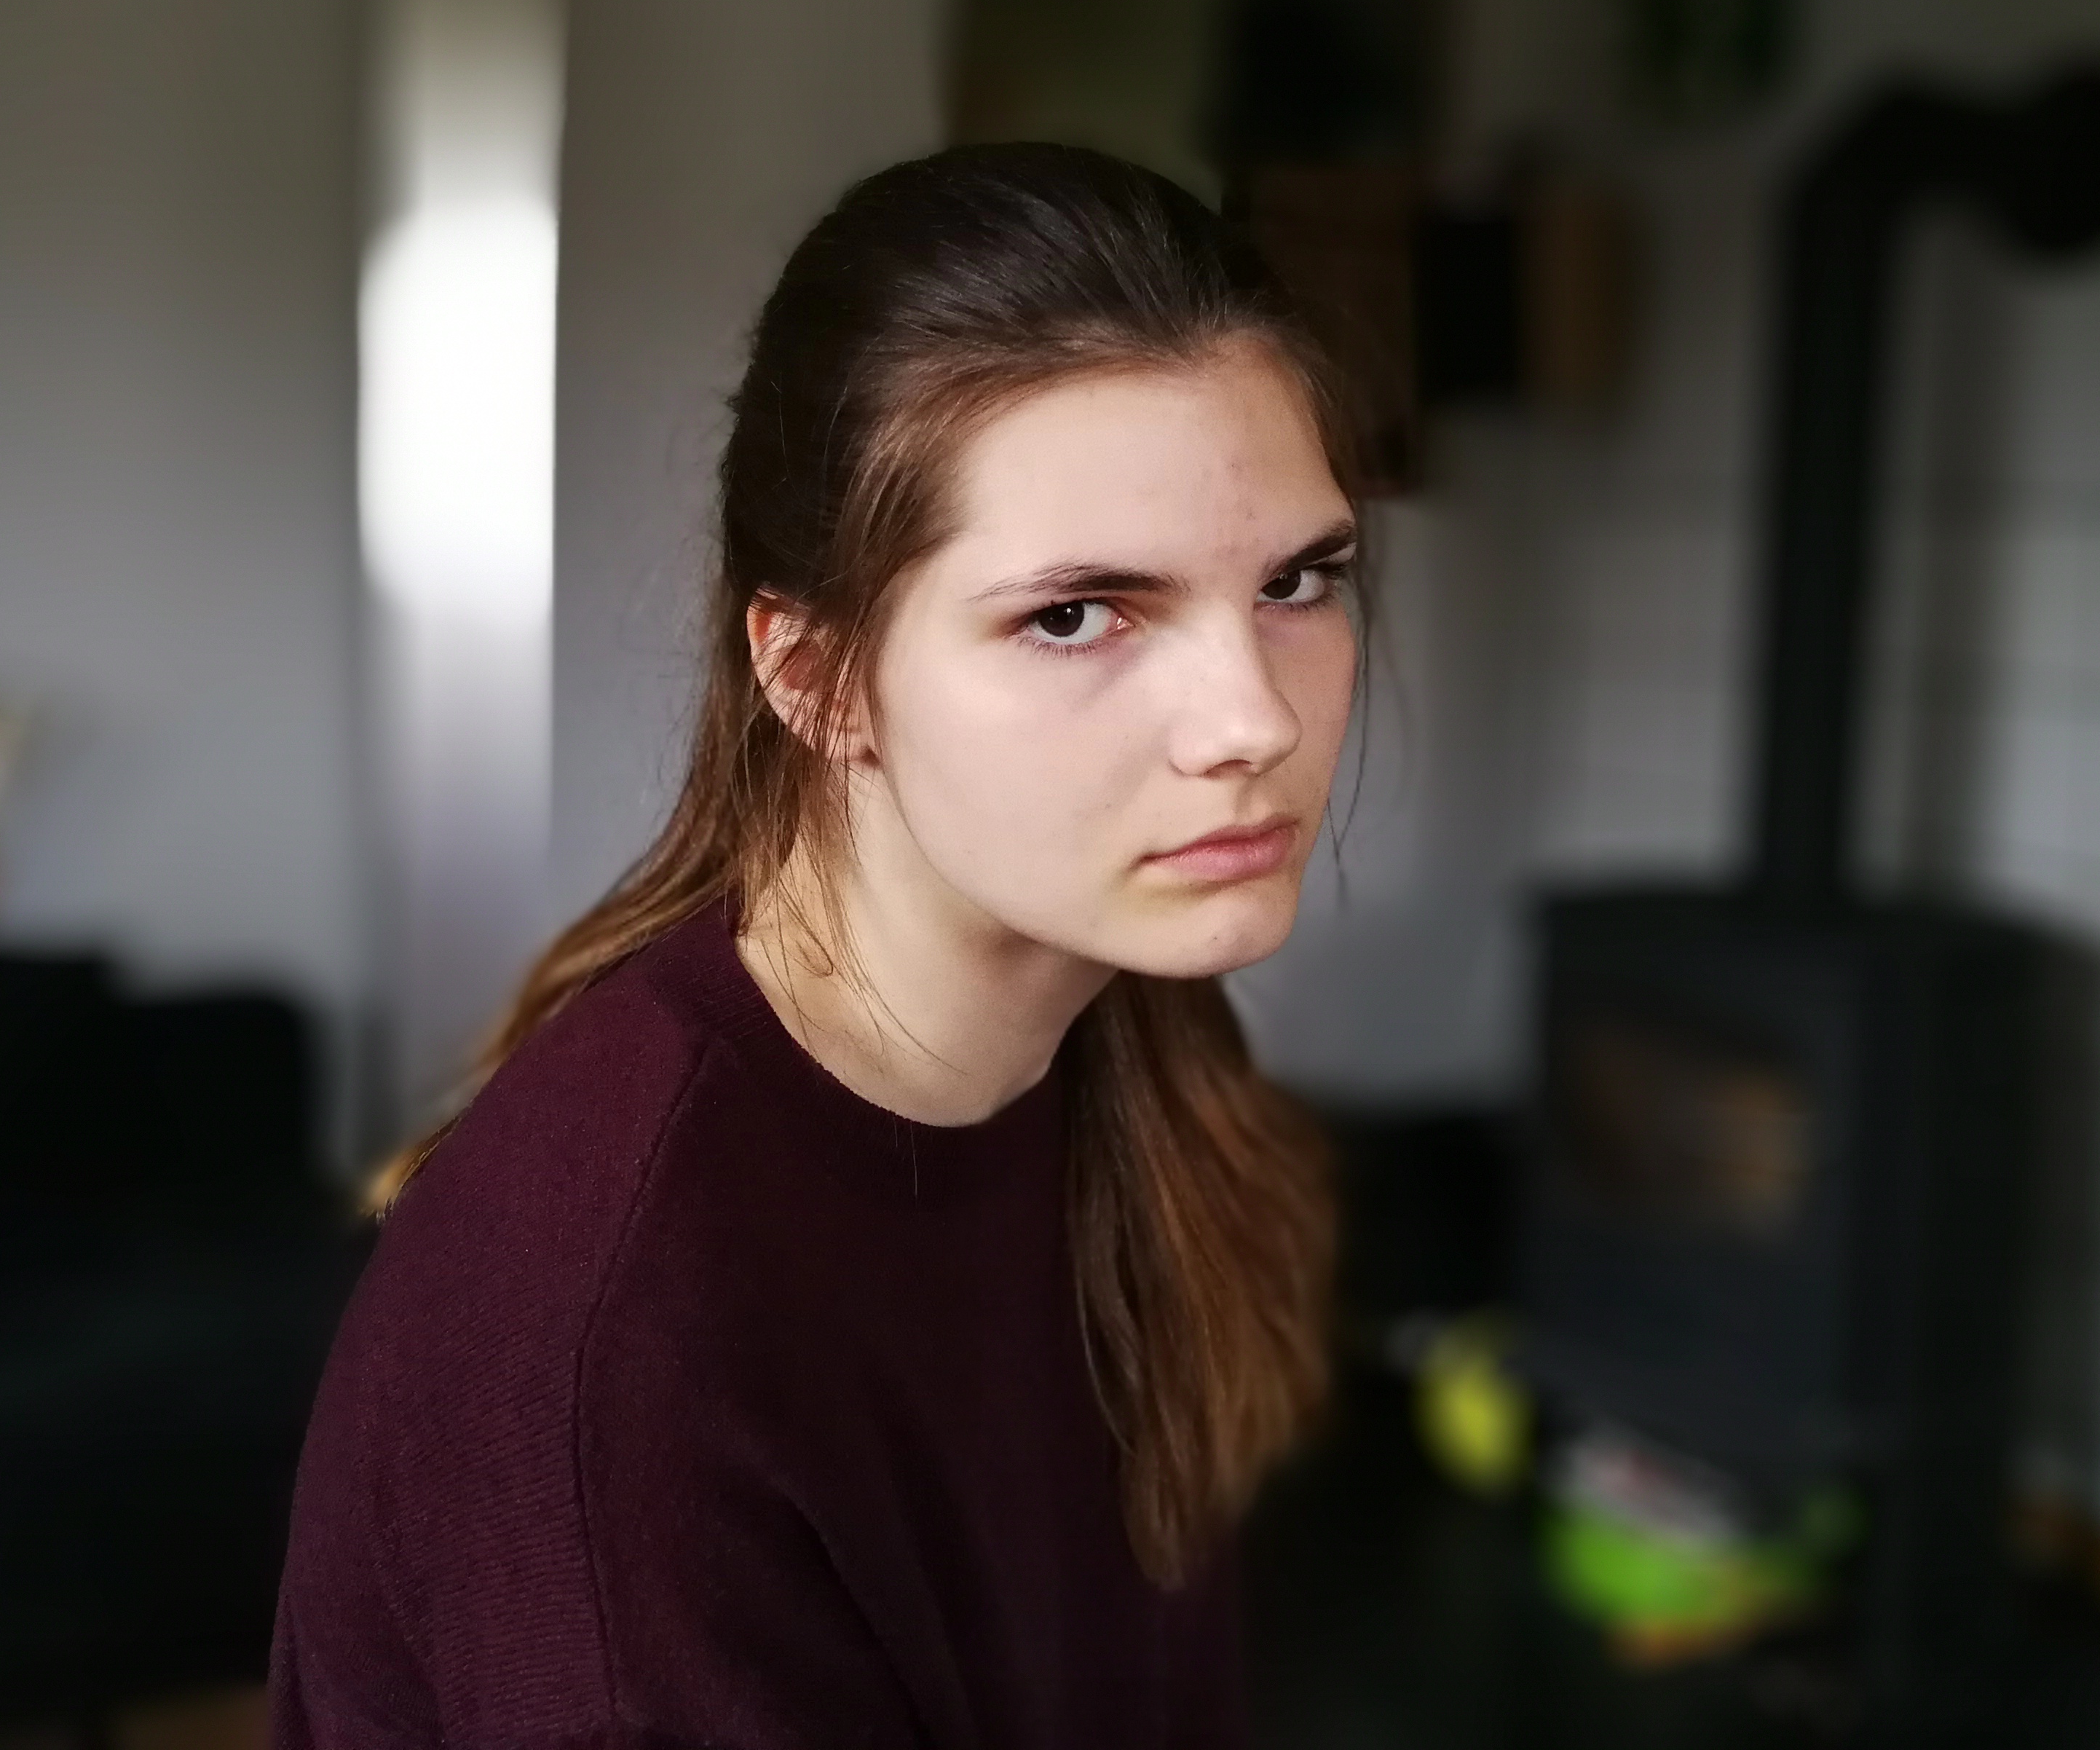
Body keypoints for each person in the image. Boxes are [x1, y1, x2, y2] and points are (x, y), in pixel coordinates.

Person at [272, 143, 1365, 1749]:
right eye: (1075, 615)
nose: (1252, 721)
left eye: (1298, 581)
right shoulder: (618, 1344)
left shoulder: (1136, 1026)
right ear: (816, 676)